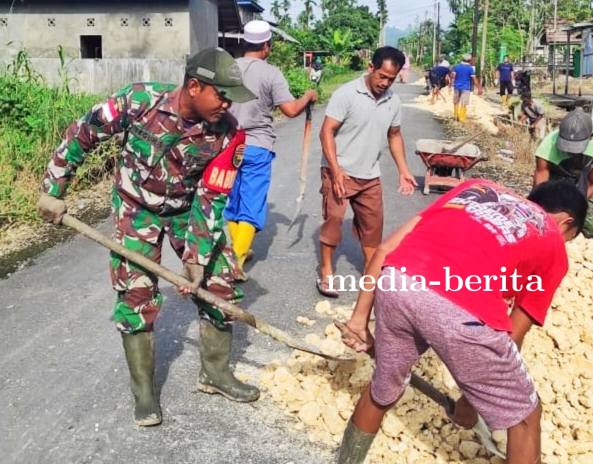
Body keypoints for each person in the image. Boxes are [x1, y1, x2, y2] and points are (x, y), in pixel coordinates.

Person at [36, 48, 261, 427]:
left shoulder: (229, 134)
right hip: (135, 208)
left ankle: (216, 373)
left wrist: (196, 258)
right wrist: (53, 189)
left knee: (220, 284)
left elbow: (211, 198)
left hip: (187, 211)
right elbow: (82, 134)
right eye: (221, 94)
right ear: (194, 86)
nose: (227, 104)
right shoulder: (139, 101)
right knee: (136, 295)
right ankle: (143, 392)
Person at [334, 180, 587, 464]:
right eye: (570, 237)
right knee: (526, 416)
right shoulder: (552, 238)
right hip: (460, 308)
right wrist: (471, 402)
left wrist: (359, 320)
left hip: (398, 281)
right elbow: (513, 333)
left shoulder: (475, 189)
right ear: (566, 222)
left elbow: (384, 250)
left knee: (383, 391)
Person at [317, 46, 418, 298]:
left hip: (370, 176)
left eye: (391, 79)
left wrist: (404, 170)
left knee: (373, 227)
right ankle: (327, 270)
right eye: (381, 76)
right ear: (371, 68)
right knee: (334, 219)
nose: (385, 83)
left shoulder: (393, 101)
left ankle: (371, 274)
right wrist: (336, 170)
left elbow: (394, 135)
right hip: (339, 170)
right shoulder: (347, 94)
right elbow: (326, 131)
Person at [223, 20, 318, 280]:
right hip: (257, 145)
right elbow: (290, 110)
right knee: (252, 206)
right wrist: (308, 96)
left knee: (233, 202)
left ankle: (239, 248)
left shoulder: (228, 68)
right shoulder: (271, 73)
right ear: (266, 46)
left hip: (227, 146)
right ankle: (235, 262)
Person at [533, 107, 593, 240]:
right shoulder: (547, 148)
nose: (571, 152)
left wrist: (577, 208)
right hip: (556, 180)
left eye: (575, 147)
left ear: (591, 137)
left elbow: (591, 182)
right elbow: (541, 189)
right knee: (545, 221)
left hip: (583, 179)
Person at [451, 53, 483, 123]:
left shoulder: (456, 66)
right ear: (469, 60)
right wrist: (479, 88)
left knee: (456, 102)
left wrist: (452, 83)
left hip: (457, 86)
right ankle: (461, 118)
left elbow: (453, 76)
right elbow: (474, 80)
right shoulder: (470, 68)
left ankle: (455, 116)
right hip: (465, 88)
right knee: (464, 103)